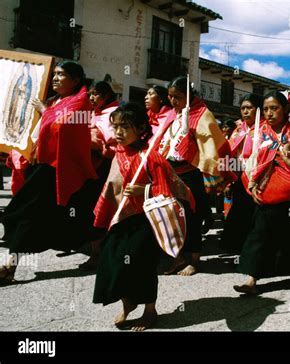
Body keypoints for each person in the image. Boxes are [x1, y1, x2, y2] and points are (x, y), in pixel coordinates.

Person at [92, 103, 192, 331]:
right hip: (121, 220)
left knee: (142, 265)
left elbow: (168, 191)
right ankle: (128, 302)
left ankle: (150, 310)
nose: (118, 132)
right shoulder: (118, 154)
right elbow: (111, 187)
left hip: (145, 221)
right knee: (112, 262)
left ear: (140, 129)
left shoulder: (151, 157)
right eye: (115, 126)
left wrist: (144, 191)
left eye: (125, 127)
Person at [0, 61, 98, 283]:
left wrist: (45, 111)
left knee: (35, 215)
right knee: (32, 214)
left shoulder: (81, 102)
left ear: (75, 80)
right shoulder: (56, 100)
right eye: (54, 74)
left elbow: (63, 126)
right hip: (44, 166)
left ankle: (9, 266)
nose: (55, 78)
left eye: (61, 74)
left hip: (64, 169)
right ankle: (10, 265)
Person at [233, 91, 290, 295]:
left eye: (275, 108)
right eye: (266, 109)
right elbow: (250, 159)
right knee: (260, 233)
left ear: (286, 109)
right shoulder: (259, 132)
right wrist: (252, 184)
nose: (269, 113)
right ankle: (251, 279)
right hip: (267, 189)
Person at [154, 76, 235, 276]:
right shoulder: (173, 115)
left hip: (191, 174)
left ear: (189, 97)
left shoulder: (202, 114)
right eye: (170, 97)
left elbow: (211, 144)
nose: (173, 101)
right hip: (170, 172)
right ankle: (178, 258)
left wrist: (198, 155)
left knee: (191, 217)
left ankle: (194, 260)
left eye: (178, 97)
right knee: (172, 216)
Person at [77, 81, 120, 271]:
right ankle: (98, 249)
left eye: (96, 94)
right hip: (90, 167)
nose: (92, 98)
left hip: (105, 169)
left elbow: (116, 143)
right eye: (90, 94)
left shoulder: (113, 114)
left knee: (99, 209)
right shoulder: (95, 113)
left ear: (106, 96)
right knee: (90, 209)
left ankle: (99, 253)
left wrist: (97, 144)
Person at [220, 94, 263, 254]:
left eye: (249, 108)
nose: (245, 111)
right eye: (243, 108)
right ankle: (236, 248)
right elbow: (230, 153)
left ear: (258, 110)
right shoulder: (239, 129)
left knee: (252, 216)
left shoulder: (264, 129)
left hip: (255, 178)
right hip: (238, 176)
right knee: (238, 212)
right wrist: (228, 178)